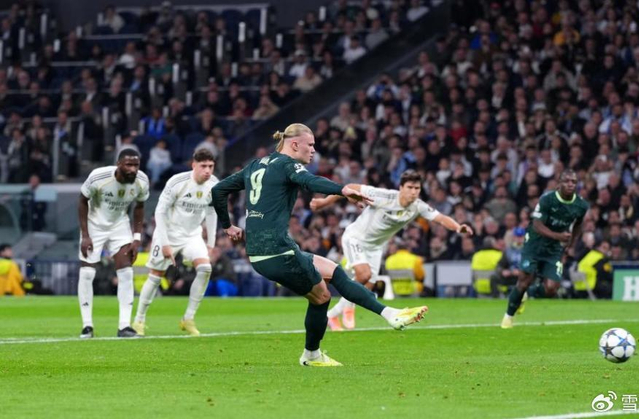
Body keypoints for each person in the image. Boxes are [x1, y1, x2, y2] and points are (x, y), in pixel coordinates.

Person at [211, 123, 428, 367]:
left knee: (334, 271)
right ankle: (318, 352)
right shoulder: (287, 164)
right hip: (278, 250)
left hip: (261, 251)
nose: (314, 150)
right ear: (295, 144)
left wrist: (227, 226)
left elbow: (219, 190)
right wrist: (343, 190)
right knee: (322, 297)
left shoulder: (254, 165)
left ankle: (388, 315)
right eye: (311, 144)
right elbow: (310, 181)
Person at [312, 170, 473, 330]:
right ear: (401, 188)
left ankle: (332, 314)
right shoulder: (384, 196)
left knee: (368, 287)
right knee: (364, 275)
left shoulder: (418, 206)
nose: (413, 192)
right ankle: (348, 308)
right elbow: (351, 187)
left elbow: (441, 218)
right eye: (410, 187)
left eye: (417, 188)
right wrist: (323, 203)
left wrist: (458, 227)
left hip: (376, 247)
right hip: (356, 238)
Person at [133, 149, 218, 336]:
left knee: (205, 269)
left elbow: (212, 213)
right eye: (203, 166)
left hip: (192, 235)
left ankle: (188, 319)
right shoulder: (177, 182)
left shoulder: (214, 184)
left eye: (211, 166)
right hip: (168, 233)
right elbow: (160, 212)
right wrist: (164, 243)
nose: (207, 170)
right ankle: (139, 320)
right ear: (193, 165)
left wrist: (211, 244)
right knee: (156, 276)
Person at [501, 169, 589, 329]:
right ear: (559, 183)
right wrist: (558, 236)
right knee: (524, 280)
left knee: (551, 289)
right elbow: (537, 225)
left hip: (554, 249)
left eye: (574, 182)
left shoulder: (581, 205)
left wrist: (570, 244)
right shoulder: (547, 199)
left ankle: (527, 295)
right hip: (534, 244)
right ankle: (508, 317)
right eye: (567, 181)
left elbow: (578, 225)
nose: (570, 184)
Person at [78, 148, 149, 338]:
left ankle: (124, 326)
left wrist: (136, 238)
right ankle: (87, 326)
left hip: (119, 225)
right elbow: (82, 201)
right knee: (87, 273)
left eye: (136, 165)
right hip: (94, 224)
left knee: (126, 272)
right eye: (129, 165)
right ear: (118, 164)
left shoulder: (142, 181)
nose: (133, 169)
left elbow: (140, 207)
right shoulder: (99, 177)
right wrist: (85, 235)